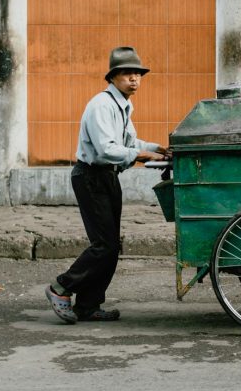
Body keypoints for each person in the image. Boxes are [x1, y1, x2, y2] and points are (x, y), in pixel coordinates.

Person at [45, 46, 169, 324]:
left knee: (111, 246)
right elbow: (105, 149)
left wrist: (156, 148)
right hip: (91, 176)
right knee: (103, 244)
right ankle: (61, 287)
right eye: (127, 74)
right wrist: (142, 155)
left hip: (108, 177)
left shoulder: (122, 105)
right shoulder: (101, 105)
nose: (134, 79)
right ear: (112, 77)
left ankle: (88, 306)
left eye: (137, 74)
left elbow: (128, 142)